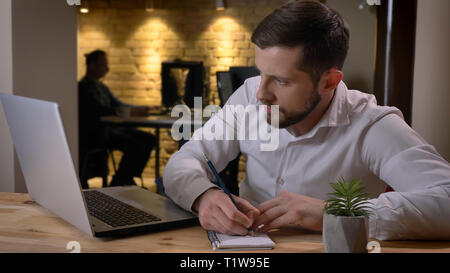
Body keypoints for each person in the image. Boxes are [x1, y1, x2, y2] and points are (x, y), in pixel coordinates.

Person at [162, 1, 450, 240]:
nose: (261, 94)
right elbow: (185, 160)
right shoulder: (249, 95)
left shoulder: (371, 125)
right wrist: (204, 195)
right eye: (261, 73)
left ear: (329, 82)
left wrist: (334, 213)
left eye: (281, 81)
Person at [79, 50, 156, 187]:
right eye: (104, 64)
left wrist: (142, 108)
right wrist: (128, 111)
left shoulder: (102, 87)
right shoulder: (83, 88)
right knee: (136, 143)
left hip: (113, 130)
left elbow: (119, 104)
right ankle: (121, 180)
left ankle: (124, 177)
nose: (107, 68)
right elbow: (99, 110)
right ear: (92, 65)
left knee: (149, 139)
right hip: (97, 134)